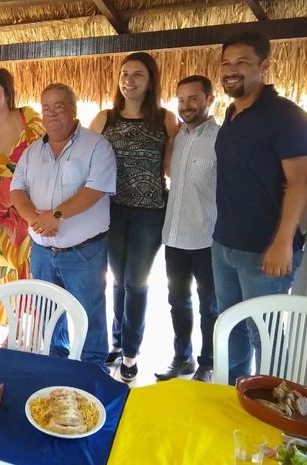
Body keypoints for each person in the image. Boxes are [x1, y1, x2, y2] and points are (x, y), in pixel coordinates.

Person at [213, 32, 307, 384]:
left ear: (264, 66)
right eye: (226, 63)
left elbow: (300, 182)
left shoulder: (286, 116)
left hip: (265, 249)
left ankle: (275, 403)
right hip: (224, 244)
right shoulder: (232, 113)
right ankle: (233, 395)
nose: (231, 70)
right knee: (230, 326)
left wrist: (282, 242)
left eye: (242, 62)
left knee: (264, 334)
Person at [11, 83, 116, 367]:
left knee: (88, 312)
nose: (52, 114)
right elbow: (17, 191)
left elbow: (95, 189)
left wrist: (55, 216)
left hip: (83, 252)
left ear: (73, 110)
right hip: (42, 250)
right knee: (48, 312)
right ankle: (56, 365)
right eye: (46, 108)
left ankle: (93, 370)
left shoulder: (97, 146)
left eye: (59, 107)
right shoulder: (32, 152)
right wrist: (36, 220)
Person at [90, 52, 179, 382]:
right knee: (117, 280)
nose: (129, 80)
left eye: (137, 74)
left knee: (136, 283)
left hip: (150, 213)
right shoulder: (105, 118)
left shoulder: (165, 119)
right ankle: (117, 340)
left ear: (151, 80)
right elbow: (86, 160)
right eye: (125, 74)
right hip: (111, 210)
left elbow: (172, 169)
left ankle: (130, 352)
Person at [154, 75, 219, 383]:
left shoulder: (221, 138)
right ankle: (183, 358)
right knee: (178, 302)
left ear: (210, 99)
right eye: (181, 100)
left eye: (194, 98)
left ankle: (208, 363)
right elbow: (168, 173)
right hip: (175, 237)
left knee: (210, 307)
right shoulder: (177, 138)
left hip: (208, 237)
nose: (186, 105)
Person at [0, 67, 45, 329]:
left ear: (7, 92)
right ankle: (14, 332)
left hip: (30, 208)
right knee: (6, 275)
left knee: (33, 271)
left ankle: (36, 332)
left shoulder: (29, 118)